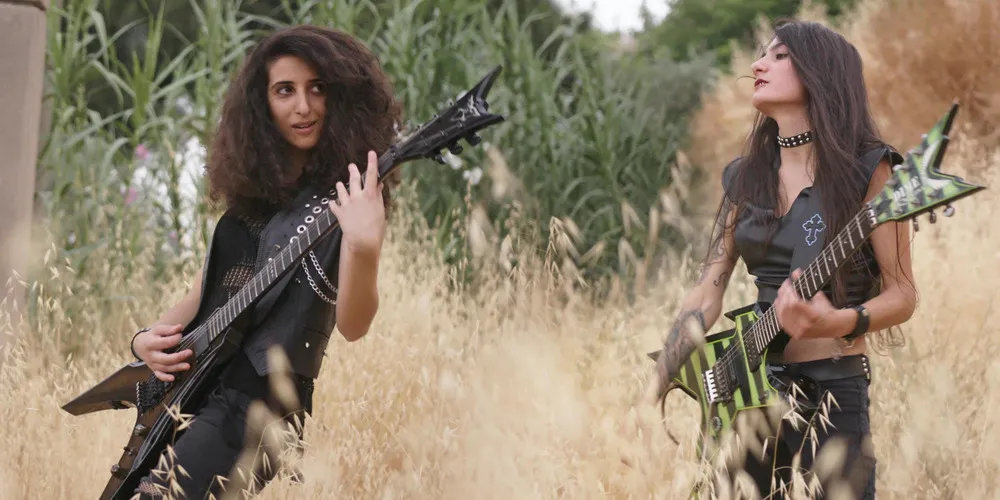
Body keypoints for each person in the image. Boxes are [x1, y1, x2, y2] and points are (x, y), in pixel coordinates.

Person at [127, 25, 402, 499]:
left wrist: (364, 247)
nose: (303, 106)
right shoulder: (245, 216)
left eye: (318, 88)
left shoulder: (349, 201)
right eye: (285, 90)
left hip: (264, 411)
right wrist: (143, 343)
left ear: (342, 98)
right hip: (200, 397)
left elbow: (355, 325)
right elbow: (200, 301)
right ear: (262, 106)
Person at [652, 20, 916, 500]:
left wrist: (837, 321)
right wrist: (660, 378)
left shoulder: (869, 168)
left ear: (819, 72)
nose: (758, 64)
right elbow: (709, 290)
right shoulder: (744, 177)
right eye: (761, 55)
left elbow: (903, 294)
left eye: (778, 56)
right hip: (743, 393)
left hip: (833, 394)